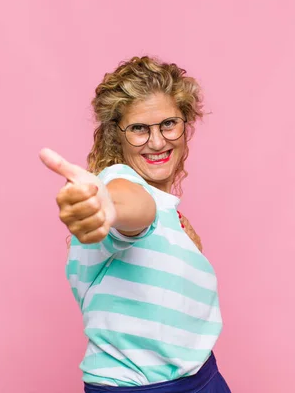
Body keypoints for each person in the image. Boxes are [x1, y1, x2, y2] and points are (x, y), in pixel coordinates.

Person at [39, 56, 231, 392]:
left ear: (186, 124)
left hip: (203, 377)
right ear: (118, 135)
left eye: (168, 123)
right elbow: (131, 206)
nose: (157, 142)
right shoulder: (120, 182)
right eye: (139, 128)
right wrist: (104, 208)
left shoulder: (171, 213)